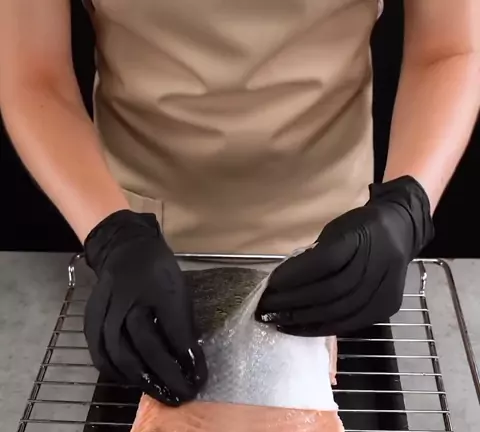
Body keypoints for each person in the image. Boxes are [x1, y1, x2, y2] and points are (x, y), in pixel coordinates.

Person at [1, 2, 479, 404]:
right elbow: (34, 75)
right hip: (143, 241)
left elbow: (449, 48)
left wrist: (406, 205)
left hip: (337, 245)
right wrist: (111, 234)